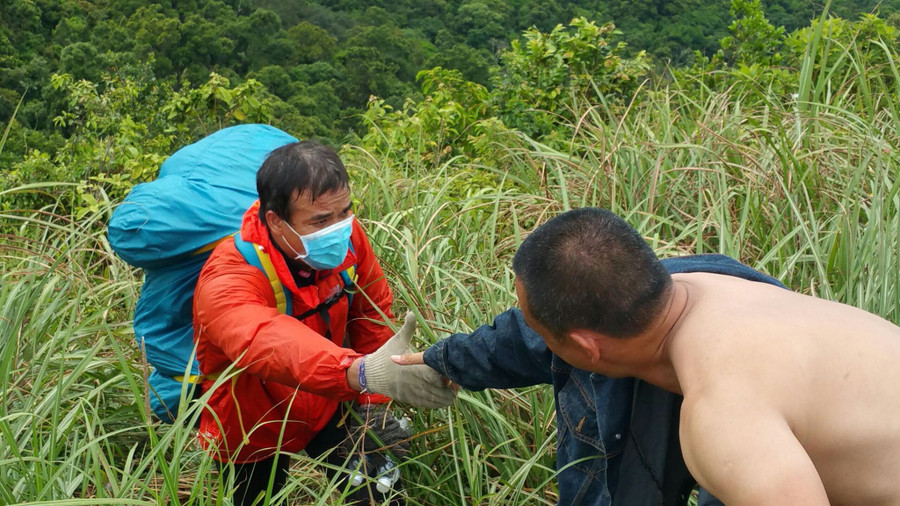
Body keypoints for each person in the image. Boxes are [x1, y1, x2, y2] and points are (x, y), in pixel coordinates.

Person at [408, 207, 900, 505]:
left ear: (585, 349)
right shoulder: (707, 283)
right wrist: (442, 360)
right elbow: (524, 334)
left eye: (546, 336)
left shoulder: (724, 414)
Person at [192, 140, 456, 505]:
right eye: (319, 220)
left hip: (331, 400)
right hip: (251, 421)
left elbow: (370, 311)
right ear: (275, 221)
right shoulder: (228, 276)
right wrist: (360, 373)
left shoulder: (347, 237)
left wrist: (373, 402)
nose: (338, 228)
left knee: (380, 496)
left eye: (344, 212)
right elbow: (263, 338)